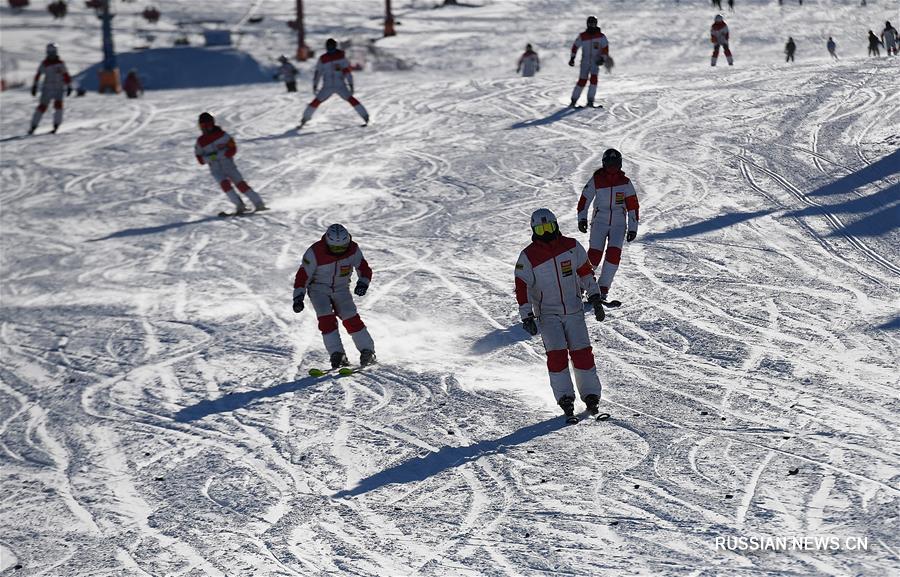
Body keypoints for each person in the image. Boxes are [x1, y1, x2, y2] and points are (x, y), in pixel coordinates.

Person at [515, 209, 605, 422]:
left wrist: (595, 297)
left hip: (574, 310)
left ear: (555, 225)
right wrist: (526, 315)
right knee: (557, 357)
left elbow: (585, 273)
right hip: (548, 315)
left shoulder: (571, 247)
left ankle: (591, 396)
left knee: (582, 353)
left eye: (549, 227)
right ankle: (565, 398)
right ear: (534, 230)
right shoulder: (528, 256)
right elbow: (521, 287)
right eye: (540, 229)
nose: (546, 232)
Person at [293, 224, 376, 369]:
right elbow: (303, 275)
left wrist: (363, 283)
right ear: (327, 243)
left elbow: (363, 268)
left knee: (350, 316)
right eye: (335, 248)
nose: (339, 252)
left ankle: (367, 350)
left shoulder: (353, 249)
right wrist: (298, 297)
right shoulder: (314, 252)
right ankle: (337, 354)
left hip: (341, 288)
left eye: (342, 248)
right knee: (326, 319)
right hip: (318, 289)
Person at [576, 148, 640, 302]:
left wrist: (633, 228)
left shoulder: (625, 183)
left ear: (620, 164)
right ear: (604, 164)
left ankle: (603, 289)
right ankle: (580, 287)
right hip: (600, 222)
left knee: (613, 255)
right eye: (610, 163)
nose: (613, 167)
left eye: (616, 163)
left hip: (618, 224)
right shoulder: (597, 180)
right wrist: (582, 218)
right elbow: (585, 199)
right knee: (594, 255)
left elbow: (633, 206)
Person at [194, 112, 266, 215]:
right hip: (216, 169)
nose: (203, 128)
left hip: (228, 166)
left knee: (240, 184)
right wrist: (213, 157)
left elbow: (233, 149)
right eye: (201, 126)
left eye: (205, 126)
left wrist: (223, 154)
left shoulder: (223, 135)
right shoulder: (201, 141)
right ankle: (239, 205)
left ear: (211, 124)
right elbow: (200, 159)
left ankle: (258, 203)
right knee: (225, 185)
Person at [300, 38, 369, 128]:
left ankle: (365, 116)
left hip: (340, 85)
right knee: (316, 101)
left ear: (335, 46)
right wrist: (315, 84)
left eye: (332, 46)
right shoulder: (323, 59)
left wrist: (351, 84)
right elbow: (318, 73)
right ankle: (305, 119)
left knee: (351, 99)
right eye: (328, 46)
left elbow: (347, 72)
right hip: (327, 86)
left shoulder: (341, 57)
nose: (330, 48)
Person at [28, 43, 71, 134]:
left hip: (59, 88)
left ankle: (56, 125)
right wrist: (35, 86)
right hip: (47, 88)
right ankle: (33, 126)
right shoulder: (45, 64)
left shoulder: (60, 64)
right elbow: (38, 74)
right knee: (42, 107)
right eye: (50, 52)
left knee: (58, 106)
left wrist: (69, 86)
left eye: (53, 52)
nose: (51, 55)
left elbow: (66, 75)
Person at [568, 16, 609, 108]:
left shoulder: (601, 37)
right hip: (585, 62)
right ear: (587, 24)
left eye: (593, 24)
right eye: (590, 23)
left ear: (596, 24)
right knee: (582, 80)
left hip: (595, 62)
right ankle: (573, 101)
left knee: (594, 80)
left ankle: (590, 101)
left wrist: (602, 58)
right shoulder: (583, 36)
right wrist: (572, 58)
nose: (592, 25)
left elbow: (605, 48)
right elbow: (575, 46)